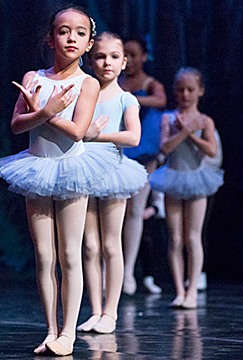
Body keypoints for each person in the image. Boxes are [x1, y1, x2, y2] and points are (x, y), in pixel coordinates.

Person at [0, 7, 120, 356]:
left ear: (88, 44)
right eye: (64, 31)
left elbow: (79, 132)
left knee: (70, 253)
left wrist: (47, 113)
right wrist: (40, 111)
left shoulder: (88, 82)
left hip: (71, 169)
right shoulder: (34, 76)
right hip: (36, 168)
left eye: (79, 33)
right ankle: (51, 329)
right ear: (50, 38)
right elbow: (16, 125)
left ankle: (68, 332)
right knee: (43, 255)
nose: (71, 38)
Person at [76, 32, 147, 333]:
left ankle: (112, 312)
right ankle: (95, 311)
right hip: (83, 171)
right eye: (101, 56)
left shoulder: (125, 98)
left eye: (114, 57)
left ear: (124, 62)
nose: (107, 63)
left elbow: (133, 137)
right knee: (89, 246)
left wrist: (95, 135)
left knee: (110, 243)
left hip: (113, 172)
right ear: (90, 60)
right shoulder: (83, 92)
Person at [149, 67, 224, 309]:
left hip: (196, 179)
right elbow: (165, 148)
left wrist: (191, 133)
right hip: (173, 178)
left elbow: (211, 150)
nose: (185, 94)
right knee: (176, 238)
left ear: (200, 91)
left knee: (193, 237)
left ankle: (192, 289)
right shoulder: (167, 118)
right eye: (180, 89)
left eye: (190, 89)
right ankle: (179, 290)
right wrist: (183, 131)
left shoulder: (205, 121)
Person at [119, 35, 167, 295]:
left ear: (144, 56)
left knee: (136, 211)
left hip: (144, 151)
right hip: (118, 151)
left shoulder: (150, 84)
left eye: (133, 54)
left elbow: (161, 100)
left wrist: (131, 99)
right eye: (124, 54)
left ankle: (128, 272)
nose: (129, 60)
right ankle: (111, 270)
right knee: (115, 211)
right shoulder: (115, 81)